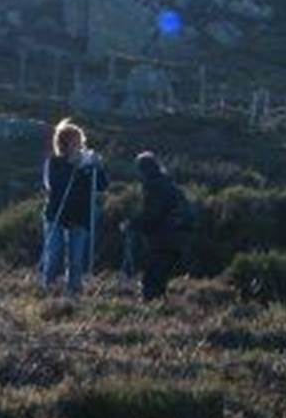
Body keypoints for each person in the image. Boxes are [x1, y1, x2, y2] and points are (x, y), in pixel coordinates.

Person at [41, 119, 108, 297]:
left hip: (80, 216)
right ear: (63, 142)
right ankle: (49, 291)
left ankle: (73, 294)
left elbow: (102, 186)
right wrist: (73, 165)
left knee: (76, 259)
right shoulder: (54, 162)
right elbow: (54, 185)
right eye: (74, 141)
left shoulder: (87, 163)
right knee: (54, 255)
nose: (79, 144)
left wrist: (99, 168)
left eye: (80, 141)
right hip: (56, 215)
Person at [123, 151, 191, 301]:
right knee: (160, 276)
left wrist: (133, 224)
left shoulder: (153, 186)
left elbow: (152, 215)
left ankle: (150, 307)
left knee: (152, 276)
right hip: (178, 236)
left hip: (164, 238)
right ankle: (159, 307)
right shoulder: (168, 183)